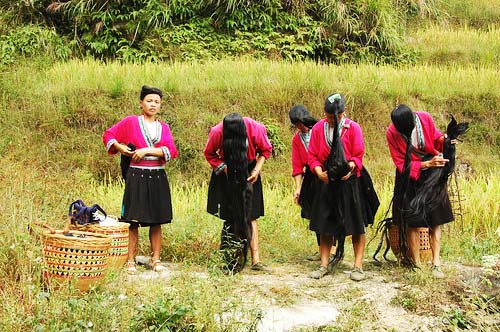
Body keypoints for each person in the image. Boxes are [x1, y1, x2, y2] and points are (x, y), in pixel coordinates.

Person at [103, 85, 178, 274]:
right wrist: (120, 148)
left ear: (160, 106)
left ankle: (156, 259)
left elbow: (171, 150)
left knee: (156, 219)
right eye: (149, 101)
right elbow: (108, 135)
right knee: (132, 219)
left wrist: (147, 150)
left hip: (157, 175)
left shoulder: (164, 127)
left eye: (157, 102)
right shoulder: (130, 122)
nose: (153, 105)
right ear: (141, 103)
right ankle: (130, 260)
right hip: (136, 174)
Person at [386, 104, 455, 278]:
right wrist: (425, 164)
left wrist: (447, 140)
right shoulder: (392, 133)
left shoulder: (424, 118)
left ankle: (436, 262)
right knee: (413, 220)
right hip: (410, 176)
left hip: (432, 176)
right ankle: (416, 263)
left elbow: (436, 138)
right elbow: (401, 164)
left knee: (435, 218)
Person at [307, 93, 368, 281]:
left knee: (357, 225)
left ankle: (357, 266)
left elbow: (358, 154)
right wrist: (318, 172)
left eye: (336, 116)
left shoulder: (353, 128)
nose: (333, 119)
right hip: (327, 181)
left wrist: (352, 166)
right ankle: (324, 264)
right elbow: (312, 156)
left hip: (349, 181)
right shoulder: (318, 129)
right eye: (329, 116)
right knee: (325, 225)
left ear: (343, 113)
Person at [204, 113, 272, 273]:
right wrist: (224, 168)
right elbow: (209, 153)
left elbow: (265, 150)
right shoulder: (217, 131)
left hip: (249, 171)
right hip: (227, 172)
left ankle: (256, 260)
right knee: (230, 215)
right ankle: (229, 256)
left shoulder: (255, 128)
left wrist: (256, 170)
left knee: (251, 215)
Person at [289, 105, 322, 261]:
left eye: (301, 123)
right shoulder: (297, 139)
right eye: (296, 125)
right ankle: (322, 248)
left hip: (325, 173)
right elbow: (297, 166)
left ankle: (334, 249)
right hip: (311, 178)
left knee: (329, 212)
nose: (300, 127)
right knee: (315, 213)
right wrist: (298, 188)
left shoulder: (320, 129)